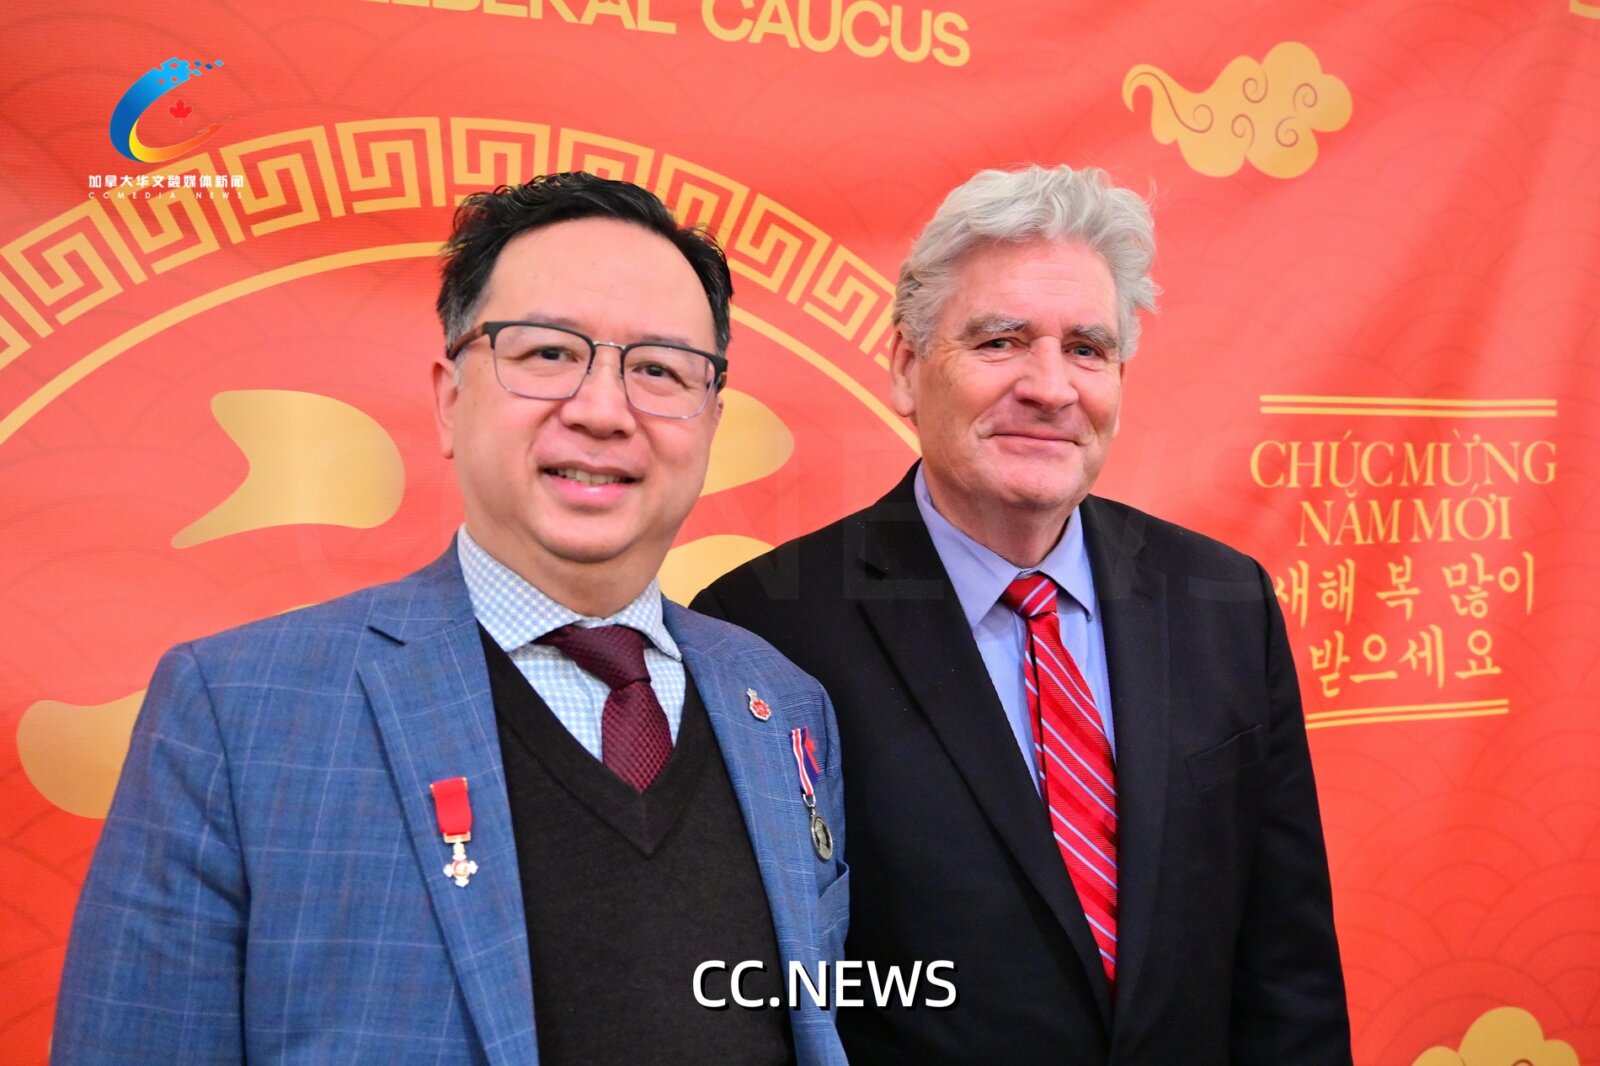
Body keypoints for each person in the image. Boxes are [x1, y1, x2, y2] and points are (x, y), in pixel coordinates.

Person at [54, 173, 849, 1065]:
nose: (602, 410)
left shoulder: (782, 704)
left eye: (659, 369)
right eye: (548, 353)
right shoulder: (238, 713)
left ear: (710, 420)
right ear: (448, 398)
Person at [693, 164, 1352, 1063]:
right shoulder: (763, 631)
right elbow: (763, 990)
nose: (1050, 387)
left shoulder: (1226, 603)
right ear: (906, 367)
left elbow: (1288, 974)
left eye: (1086, 349)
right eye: (1001, 341)